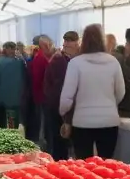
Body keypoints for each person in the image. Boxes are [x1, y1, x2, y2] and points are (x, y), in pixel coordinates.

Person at [60, 24, 124, 158]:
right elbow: (121, 92)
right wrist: (110, 104)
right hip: (109, 121)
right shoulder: (113, 62)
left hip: (82, 122)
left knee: (84, 166)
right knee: (106, 164)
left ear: (83, 41)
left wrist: (63, 113)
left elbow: (67, 97)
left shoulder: (75, 63)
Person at [43, 31, 78, 160]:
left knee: (64, 144)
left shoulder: (70, 59)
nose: (67, 43)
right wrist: (63, 111)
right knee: (60, 144)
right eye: (66, 41)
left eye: (70, 41)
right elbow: (58, 88)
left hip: (66, 108)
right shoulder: (59, 61)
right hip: (59, 109)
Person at [0, 42, 27, 128]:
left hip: (1, 99)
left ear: (7, 49)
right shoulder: (20, 63)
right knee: (13, 124)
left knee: (1, 124)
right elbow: (24, 80)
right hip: (15, 99)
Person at [27, 35, 53, 144]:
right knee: (43, 121)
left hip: (40, 94)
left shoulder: (39, 57)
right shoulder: (41, 58)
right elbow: (37, 78)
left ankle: (43, 141)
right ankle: (42, 143)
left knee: (43, 120)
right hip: (42, 95)